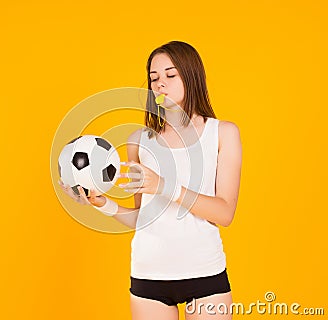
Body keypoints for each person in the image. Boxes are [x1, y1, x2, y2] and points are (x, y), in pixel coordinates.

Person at [59, 41, 242, 320]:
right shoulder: (139, 141)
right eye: (154, 78)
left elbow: (224, 212)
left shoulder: (223, 133)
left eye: (170, 75)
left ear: (191, 76)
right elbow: (142, 219)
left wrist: (163, 185)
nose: (160, 85)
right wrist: (103, 203)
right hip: (149, 276)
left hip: (204, 273)